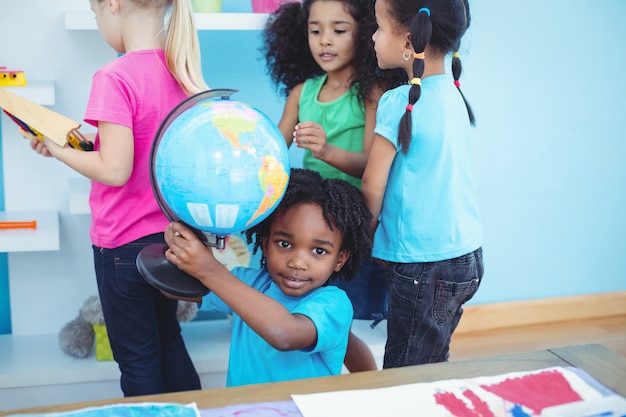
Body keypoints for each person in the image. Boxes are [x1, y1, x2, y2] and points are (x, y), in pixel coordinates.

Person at [30, 0, 209, 396]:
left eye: (96, 16)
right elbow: (145, 145)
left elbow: (115, 169)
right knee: (168, 341)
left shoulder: (114, 75)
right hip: (169, 240)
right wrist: (80, 142)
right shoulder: (181, 69)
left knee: (137, 357)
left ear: (112, 6)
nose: (99, 25)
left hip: (122, 246)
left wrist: (58, 150)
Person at [262, 0, 406, 372]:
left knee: (338, 320)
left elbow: (373, 163)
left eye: (339, 30)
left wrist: (326, 150)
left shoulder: (372, 91)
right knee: (305, 311)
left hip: (348, 226)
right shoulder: (301, 93)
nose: (325, 40)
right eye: (315, 30)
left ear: (364, 33)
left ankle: (366, 382)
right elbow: (273, 153)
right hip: (307, 222)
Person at [162, 169, 373, 386]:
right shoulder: (247, 283)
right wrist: (178, 242)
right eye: (284, 244)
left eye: (318, 251)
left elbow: (284, 335)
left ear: (340, 259)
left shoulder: (333, 303)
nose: (297, 262)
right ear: (265, 243)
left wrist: (210, 270)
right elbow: (170, 288)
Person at [362, 0, 484, 369]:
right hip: (467, 257)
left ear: (408, 39)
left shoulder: (398, 101)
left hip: (423, 266)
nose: (372, 36)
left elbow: (372, 186)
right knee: (431, 357)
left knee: (406, 370)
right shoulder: (456, 96)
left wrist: (358, 242)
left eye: (379, 26)